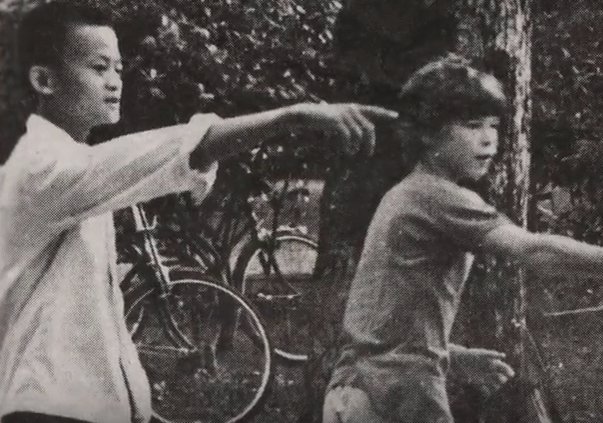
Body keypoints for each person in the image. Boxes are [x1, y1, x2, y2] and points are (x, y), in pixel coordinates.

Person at [0, 2, 399, 423]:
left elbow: (90, 313)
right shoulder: (39, 169)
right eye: (99, 68)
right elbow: (175, 150)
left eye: (119, 68)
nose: (115, 82)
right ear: (44, 79)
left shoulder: (73, 166)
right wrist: (291, 116)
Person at [323, 54, 603, 423]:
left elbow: (379, 320)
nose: (489, 139)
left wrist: (449, 353)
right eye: (472, 125)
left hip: (351, 392)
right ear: (427, 132)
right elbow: (533, 249)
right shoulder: (438, 196)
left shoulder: (404, 194)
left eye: (494, 125)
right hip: (400, 394)